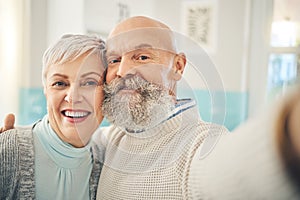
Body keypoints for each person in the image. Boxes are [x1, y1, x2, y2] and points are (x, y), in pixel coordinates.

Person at [2, 16, 300, 199]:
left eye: (142, 57)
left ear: (178, 66)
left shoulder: (201, 144)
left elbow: (226, 172)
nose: (123, 71)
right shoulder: (108, 141)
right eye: (115, 60)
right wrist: (11, 142)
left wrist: (287, 131)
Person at [0, 34, 106, 199]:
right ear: (46, 90)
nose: (73, 97)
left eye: (89, 83)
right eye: (60, 83)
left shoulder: (107, 160)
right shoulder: (8, 150)